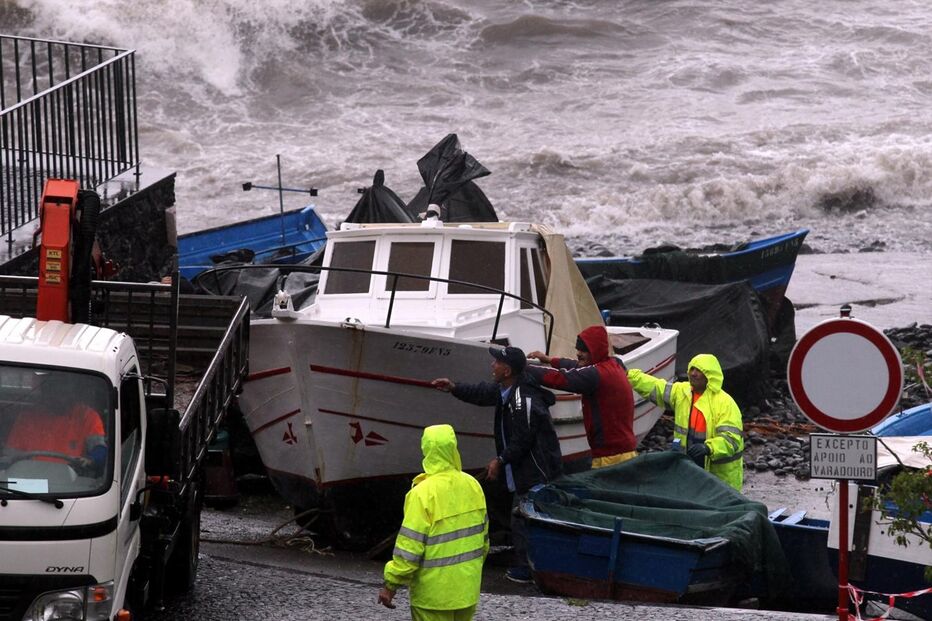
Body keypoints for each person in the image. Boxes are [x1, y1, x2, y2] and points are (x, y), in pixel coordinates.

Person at [432, 346, 562, 584]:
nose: (492, 365)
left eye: (497, 363)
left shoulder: (524, 400)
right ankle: (532, 565)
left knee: (524, 516)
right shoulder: (506, 390)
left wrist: (500, 460)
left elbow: (523, 438)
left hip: (536, 469)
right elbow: (482, 393)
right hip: (521, 468)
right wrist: (454, 387)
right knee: (522, 514)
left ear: (508, 370)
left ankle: (528, 569)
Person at [378, 424, 488, 620]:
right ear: (454, 448)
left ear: (426, 451)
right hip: (467, 592)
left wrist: (391, 584)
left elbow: (409, 549)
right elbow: (483, 541)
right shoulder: (473, 485)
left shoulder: (422, 494)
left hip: (432, 596)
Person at [627, 353, 744, 491]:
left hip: (720, 477)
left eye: (699, 370)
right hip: (690, 466)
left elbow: (731, 439)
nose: (693, 374)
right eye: (691, 369)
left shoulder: (725, 403)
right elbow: (656, 388)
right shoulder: (682, 392)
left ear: (709, 376)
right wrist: (629, 375)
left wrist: (709, 448)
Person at [527, 325, 637, 468]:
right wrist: (549, 360)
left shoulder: (595, 375)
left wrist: (523, 367)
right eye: (578, 349)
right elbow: (578, 366)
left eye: (584, 350)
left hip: (611, 457)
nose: (578, 353)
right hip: (625, 451)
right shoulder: (615, 363)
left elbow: (561, 378)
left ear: (595, 351)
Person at [5, 382, 106, 471]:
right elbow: (11, 456)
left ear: (73, 392)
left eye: (64, 391)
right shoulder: (27, 417)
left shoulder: (87, 416)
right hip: (29, 479)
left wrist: (90, 460)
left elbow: (100, 449)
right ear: (45, 392)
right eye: (55, 390)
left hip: (74, 485)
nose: (60, 397)